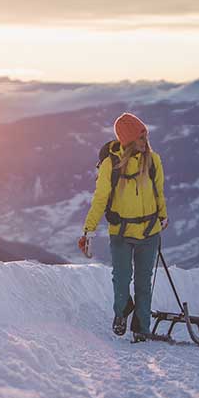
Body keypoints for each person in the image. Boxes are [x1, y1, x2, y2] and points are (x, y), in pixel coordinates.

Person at [79, 112, 168, 342]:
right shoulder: (111, 164)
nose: (145, 141)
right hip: (120, 232)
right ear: (128, 140)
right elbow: (100, 199)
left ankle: (142, 328)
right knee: (121, 279)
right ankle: (121, 312)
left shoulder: (154, 160)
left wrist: (163, 216)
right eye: (141, 137)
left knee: (143, 283)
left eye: (146, 135)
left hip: (149, 232)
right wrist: (88, 230)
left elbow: (159, 192)